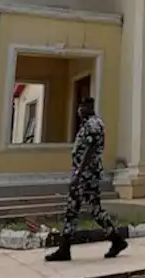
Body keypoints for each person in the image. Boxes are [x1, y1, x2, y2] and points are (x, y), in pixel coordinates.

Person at [44, 97, 127, 261]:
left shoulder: (92, 124)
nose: (79, 110)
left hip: (85, 174)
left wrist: (78, 173)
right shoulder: (93, 123)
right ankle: (117, 240)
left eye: (81, 107)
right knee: (95, 210)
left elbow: (89, 150)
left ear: (87, 107)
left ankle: (64, 249)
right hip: (90, 173)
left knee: (72, 209)